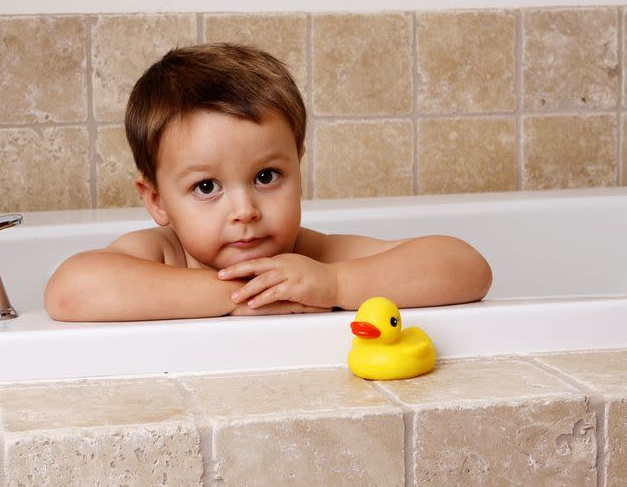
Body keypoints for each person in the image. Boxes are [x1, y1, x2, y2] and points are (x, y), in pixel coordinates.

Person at [44, 43, 492, 321]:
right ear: (157, 200)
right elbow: (69, 291)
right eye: (207, 187)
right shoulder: (163, 255)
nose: (245, 211)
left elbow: (467, 267)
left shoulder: (314, 255)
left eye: (265, 176)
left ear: (298, 168)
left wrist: (335, 285)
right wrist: (235, 295)